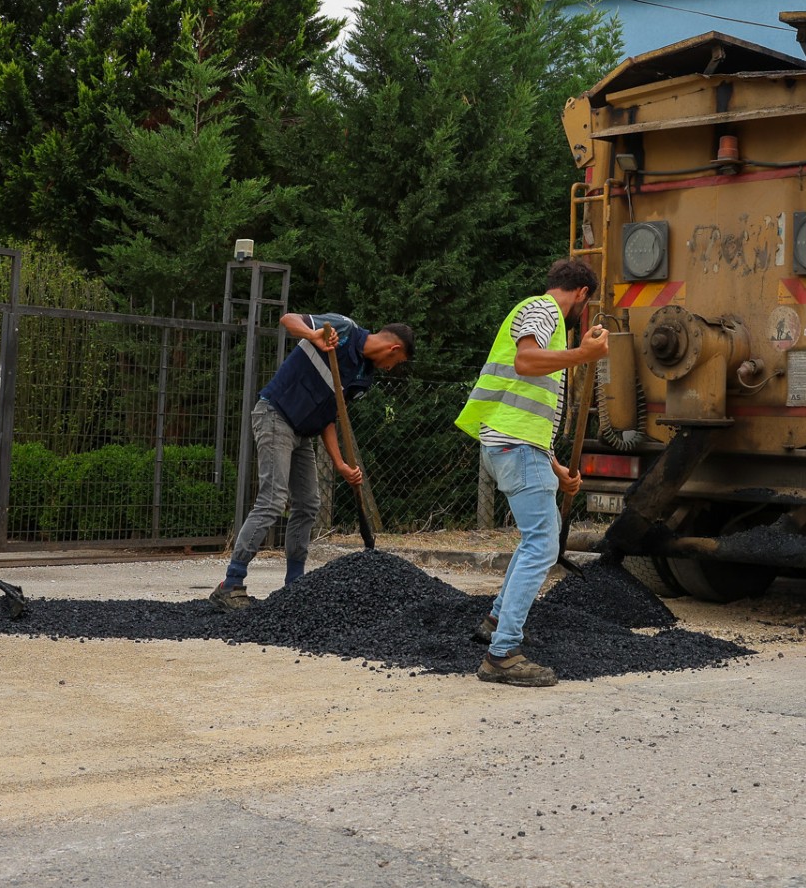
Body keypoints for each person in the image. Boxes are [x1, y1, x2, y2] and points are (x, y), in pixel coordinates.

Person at [454, 258, 610, 686]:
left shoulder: (541, 315)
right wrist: (584, 354)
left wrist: (555, 466)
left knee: (533, 540)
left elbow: (527, 404)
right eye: (586, 301)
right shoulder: (543, 311)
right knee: (542, 544)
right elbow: (526, 361)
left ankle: (495, 620)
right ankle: (502, 654)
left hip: (517, 445)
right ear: (581, 293)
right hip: (514, 444)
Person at [209, 313, 415, 609]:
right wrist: (313, 335)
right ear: (394, 350)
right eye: (399, 363)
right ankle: (231, 583)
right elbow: (287, 318)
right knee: (272, 499)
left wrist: (341, 463)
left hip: (303, 432)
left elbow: (329, 418)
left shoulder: (362, 378)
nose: (393, 368)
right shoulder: (342, 329)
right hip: (275, 415)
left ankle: (295, 586)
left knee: (308, 504)